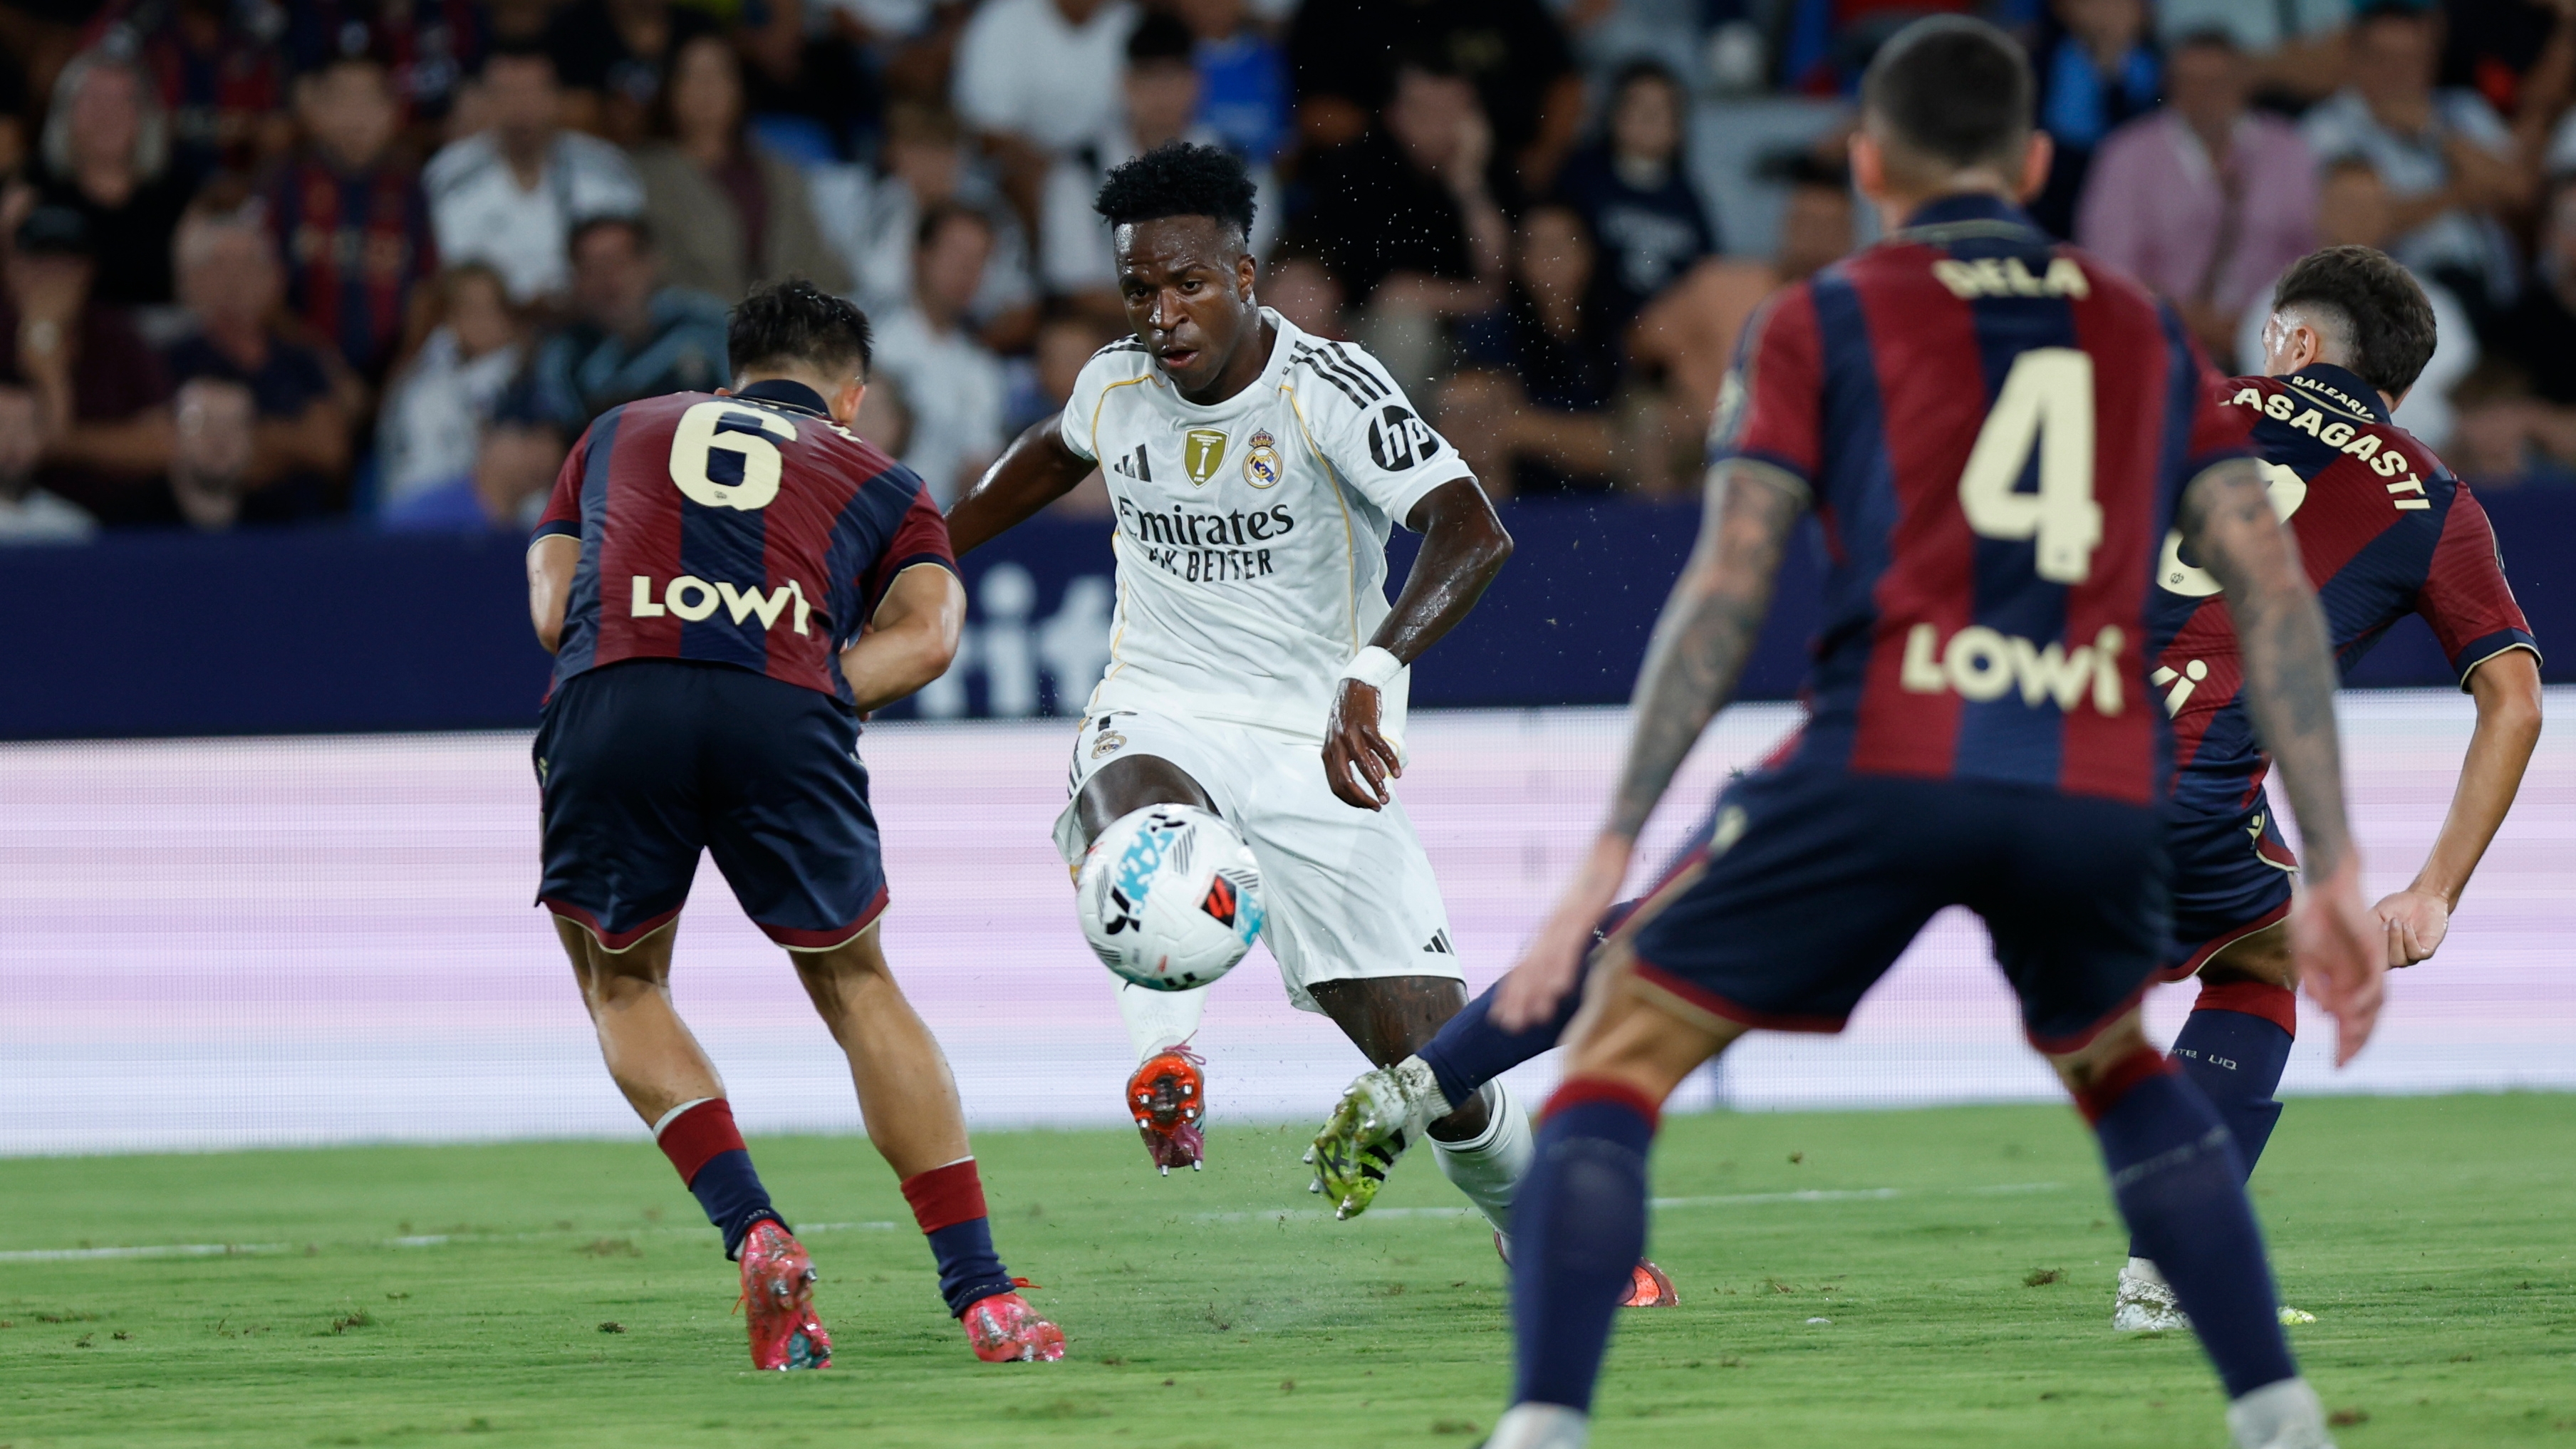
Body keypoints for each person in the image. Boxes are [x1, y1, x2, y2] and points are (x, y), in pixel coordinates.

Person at [1458, 20, 2387, 1449]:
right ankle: (2272, 1412)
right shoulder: (2141, 329)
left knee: (1618, 1053)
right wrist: (2328, 859)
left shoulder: (1816, 317)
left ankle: (1540, 1426)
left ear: (1865, 160)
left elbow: (1723, 587)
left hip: (1886, 747)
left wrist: (1606, 844)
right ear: (2028, 160)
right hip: (2089, 773)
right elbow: (2268, 599)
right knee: (2117, 1066)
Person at [942, 140, 1676, 1311]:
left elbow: (1469, 527)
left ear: (1244, 272)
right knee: (1128, 811)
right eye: (1140, 289)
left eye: (1187, 284)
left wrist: (1375, 665)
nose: (1163, 314)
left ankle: (1531, 1223)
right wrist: (928, 547)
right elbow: (1046, 456)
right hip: (1163, 701)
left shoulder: (1326, 386)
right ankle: (1164, 1053)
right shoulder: (1114, 381)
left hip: (1314, 743)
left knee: (1439, 1065)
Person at [522, 278, 1066, 1370]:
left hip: (616, 693)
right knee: (857, 982)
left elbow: (550, 609)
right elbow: (930, 634)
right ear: (851, 397)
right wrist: (819, 690)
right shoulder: (884, 475)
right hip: (783, 701)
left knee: (623, 981)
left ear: (732, 378)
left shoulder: (620, 428)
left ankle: (754, 1227)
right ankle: (985, 1298)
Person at [2116, 244, 2541, 1331]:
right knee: (2275, 961)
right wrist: (2432, 890)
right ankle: (2168, 1278)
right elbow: (2515, 700)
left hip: (2008, 729)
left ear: (2296, 344)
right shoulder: (2435, 498)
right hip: (2178, 793)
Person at [2077, 31, 2316, 364]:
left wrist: (2263, 326)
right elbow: (2110, 271)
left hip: (2281, 348)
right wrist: (2201, 325)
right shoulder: (2126, 155)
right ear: (2170, 86)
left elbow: (2315, 249)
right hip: (2161, 346)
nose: (2205, 95)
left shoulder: (2290, 148)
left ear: (2244, 81)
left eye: (2218, 82)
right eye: (2191, 82)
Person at [2300, 4, 2528, 326]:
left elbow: (2521, 191)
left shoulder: (2463, 110)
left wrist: (2435, 133)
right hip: (2398, 307)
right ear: (2356, 59)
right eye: (2384, 60)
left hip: (2498, 293)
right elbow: (2359, 227)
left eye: (2412, 59)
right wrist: (2461, 195)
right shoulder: (2327, 128)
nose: (2399, 73)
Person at [1296, 57, 1509, 383]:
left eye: (1455, 110)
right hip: (1369, 329)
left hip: (1470, 329)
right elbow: (1388, 291)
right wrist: (1480, 297)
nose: (1443, 124)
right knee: (1407, 332)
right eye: (1428, 111)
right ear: (1396, 115)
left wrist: (1469, 184)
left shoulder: (1488, 167)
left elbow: (1502, 269)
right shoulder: (1359, 171)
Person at [162, 204, 360, 525]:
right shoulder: (168, 360)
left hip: (300, 535)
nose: (235, 281)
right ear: (189, 282)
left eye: (249, 266)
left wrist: (220, 440)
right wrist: (290, 443)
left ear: (275, 280)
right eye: (219, 266)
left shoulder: (301, 358)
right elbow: (159, 449)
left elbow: (330, 449)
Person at [267, 34, 441, 385]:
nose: (356, 116)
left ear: (393, 111)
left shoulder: (410, 190)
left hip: (397, 379)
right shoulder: (286, 186)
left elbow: (428, 290)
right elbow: (267, 297)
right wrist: (324, 370)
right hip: (302, 379)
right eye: (342, 100)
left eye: (369, 100)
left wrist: (402, 369)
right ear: (316, 109)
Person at [631, 33, 851, 302]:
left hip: (792, 330)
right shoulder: (646, 174)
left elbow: (817, 260)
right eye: (692, 76)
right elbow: (658, 273)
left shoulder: (780, 172)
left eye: (720, 75)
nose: (707, 88)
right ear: (669, 89)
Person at [424, 41, 644, 303]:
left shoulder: (607, 170)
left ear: (557, 99)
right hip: (484, 327)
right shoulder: (447, 176)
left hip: (589, 323)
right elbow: (442, 277)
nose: (522, 108)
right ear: (487, 102)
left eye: (533, 92)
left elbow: (634, 268)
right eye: (507, 93)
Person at [0, 202, 175, 526]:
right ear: (12, 269)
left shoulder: (116, 335)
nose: (51, 279)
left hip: (113, 520)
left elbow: (162, 444)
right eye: (39, 263)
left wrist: (65, 441)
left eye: (65, 266)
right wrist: (44, 348)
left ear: (88, 271)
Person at [507, 216, 730, 440]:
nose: (609, 280)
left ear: (650, 263)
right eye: (592, 268)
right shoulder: (563, 356)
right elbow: (558, 438)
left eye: (619, 263)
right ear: (575, 279)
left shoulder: (707, 325)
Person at [1550, 61, 1715, 336]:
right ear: (1614, 114)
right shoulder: (1579, 177)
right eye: (1638, 107)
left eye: (1660, 110)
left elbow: (1706, 276)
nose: (1648, 118)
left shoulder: (1688, 199)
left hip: (1663, 340)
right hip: (1585, 331)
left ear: (1678, 128)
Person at [868, 202, 1007, 504]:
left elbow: (978, 463)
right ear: (920, 256)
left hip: (942, 526)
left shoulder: (981, 367)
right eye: (955, 253)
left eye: (979, 259)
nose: (966, 270)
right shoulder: (869, 343)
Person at [35, 47, 193, 307]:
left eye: (122, 101)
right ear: (66, 114)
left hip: (159, 337)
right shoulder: (31, 190)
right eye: (93, 101)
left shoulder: (180, 192)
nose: (107, 115)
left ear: (146, 116)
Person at [377, 262, 526, 524]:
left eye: (490, 308)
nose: (480, 321)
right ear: (450, 319)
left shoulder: (530, 379)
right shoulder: (420, 385)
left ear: (508, 315)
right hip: (423, 513)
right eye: (468, 309)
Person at [2029, 0, 2161, 237]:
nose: (2105, 14)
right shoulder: (2043, 59)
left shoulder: (2158, 69)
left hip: (2132, 191)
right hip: (2056, 189)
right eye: (2092, 4)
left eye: (2118, 5)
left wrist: (2111, 71)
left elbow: (2140, 139)